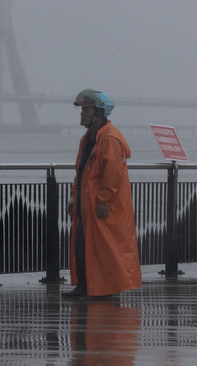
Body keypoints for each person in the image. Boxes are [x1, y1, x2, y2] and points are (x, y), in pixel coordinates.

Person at [64, 89, 142, 299]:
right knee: (83, 246)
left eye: (86, 110)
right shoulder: (89, 138)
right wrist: (74, 196)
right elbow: (80, 171)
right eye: (82, 110)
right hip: (85, 204)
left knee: (104, 249)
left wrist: (104, 199)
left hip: (99, 204)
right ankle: (84, 286)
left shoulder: (110, 138)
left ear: (99, 113)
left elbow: (113, 172)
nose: (82, 114)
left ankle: (104, 290)